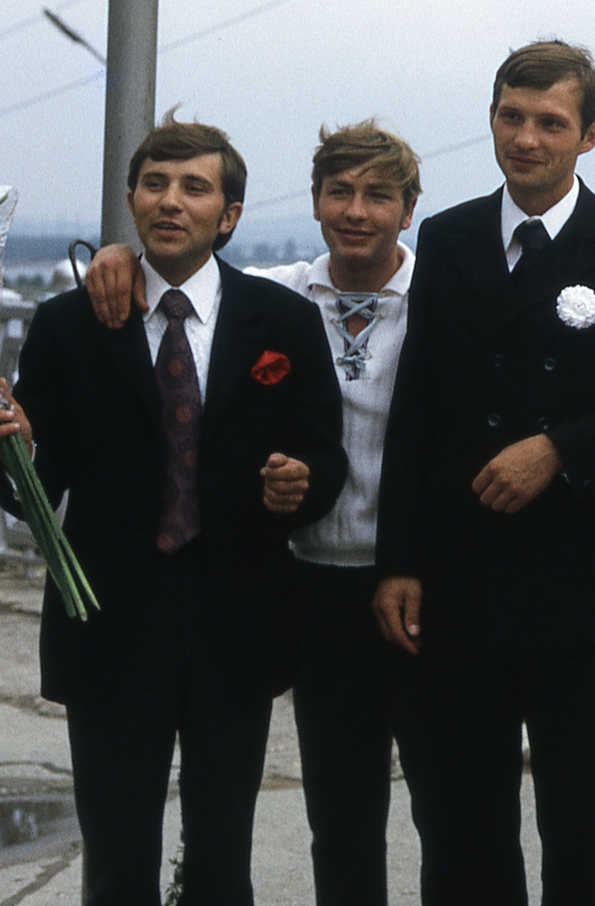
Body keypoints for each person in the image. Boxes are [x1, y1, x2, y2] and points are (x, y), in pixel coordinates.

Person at [0, 114, 348, 905]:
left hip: (235, 624)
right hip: (108, 622)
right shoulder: (71, 324)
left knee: (219, 866)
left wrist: (299, 481)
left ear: (228, 215)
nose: (171, 201)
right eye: (154, 184)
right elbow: (37, 484)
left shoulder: (282, 321)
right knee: (116, 865)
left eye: (195, 187)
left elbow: (324, 455)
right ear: (133, 200)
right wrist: (18, 453)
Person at [373, 40, 595, 905]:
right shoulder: (445, 237)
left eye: (551, 122)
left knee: (578, 818)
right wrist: (397, 559)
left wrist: (561, 448)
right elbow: (418, 407)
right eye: (512, 116)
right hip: (458, 570)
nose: (527, 139)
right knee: (464, 820)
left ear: (589, 135)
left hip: (576, 579)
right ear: (491, 118)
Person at [81, 121, 431, 906]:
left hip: (415, 577)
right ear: (312, 202)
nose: (356, 211)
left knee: (446, 807)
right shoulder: (278, 299)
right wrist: (114, 257)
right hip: (305, 579)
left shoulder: (444, 301)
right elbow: (183, 269)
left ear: (409, 210)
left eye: (379, 195)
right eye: (339, 191)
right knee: (337, 811)